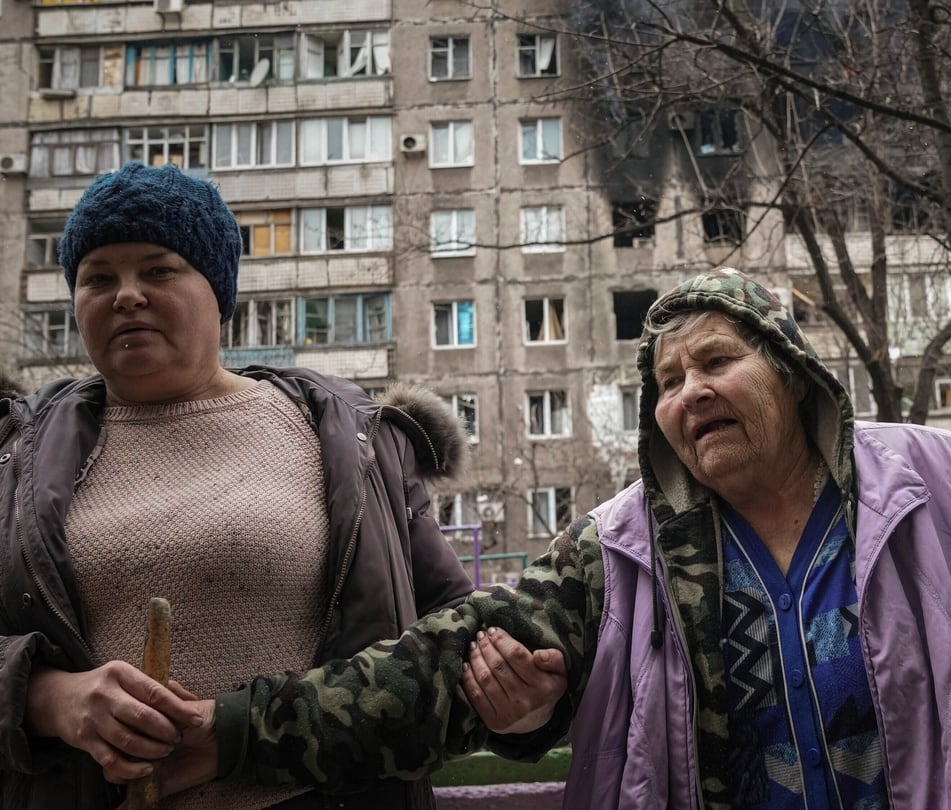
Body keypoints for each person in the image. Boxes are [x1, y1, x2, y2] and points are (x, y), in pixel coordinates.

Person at [163, 268, 951, 808]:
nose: (688, 392)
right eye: (667, 379)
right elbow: (430, 675)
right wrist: (226, 734)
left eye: (717, 360)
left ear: (793, 371)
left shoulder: (942, 480)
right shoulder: (621, 546)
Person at [0, 161, 556, 809]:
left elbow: (456, 641)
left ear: (219, 292)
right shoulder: (14, 458)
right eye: (98, 277)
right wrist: (41, 696)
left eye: (158, 269)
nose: (126, 294)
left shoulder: (353, 441)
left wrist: (526, 703)